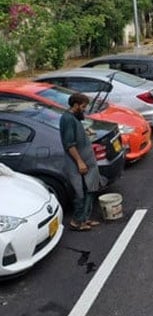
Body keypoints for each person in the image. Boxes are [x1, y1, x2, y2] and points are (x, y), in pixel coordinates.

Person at [59, 93, 101, 231]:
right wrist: (80, 162)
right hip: (78, 164)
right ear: (75, 105)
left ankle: (84, 218)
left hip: (86, 162)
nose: (84, 109)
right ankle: (77, 222)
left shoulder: (74, 117)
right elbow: (69, 144)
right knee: (80, 192)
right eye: (83, 106)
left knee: (89, 190)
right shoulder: (67, 119)